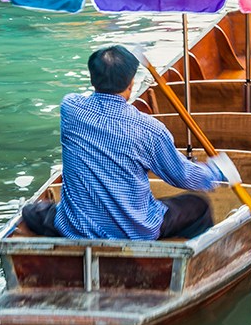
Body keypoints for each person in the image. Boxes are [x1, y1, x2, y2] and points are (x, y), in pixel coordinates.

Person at [20, 46, 237, 240]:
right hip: (135, 231)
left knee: (31, 212)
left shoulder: (70, 108)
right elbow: (183, 176)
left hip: (76, 226)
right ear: (131, 84)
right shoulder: (150, 130)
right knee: (198, 206)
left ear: (93, 79)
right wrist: (216, 172)